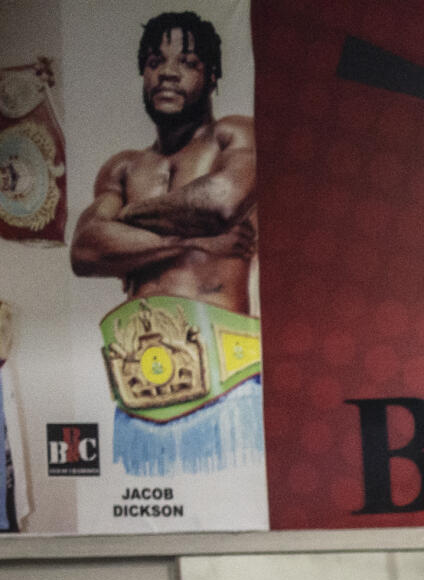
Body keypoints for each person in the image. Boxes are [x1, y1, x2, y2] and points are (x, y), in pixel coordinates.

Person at [67, 12, 261, 477]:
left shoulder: (236, 135)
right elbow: (86, 250)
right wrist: (187, 240)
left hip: (225, 385)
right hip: (135, 391)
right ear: (143, 73)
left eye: (188, 61)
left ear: (211, 76)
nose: (168, 72)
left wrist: (127, 221)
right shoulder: (123, 168)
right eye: (156, 61)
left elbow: (219, 203)